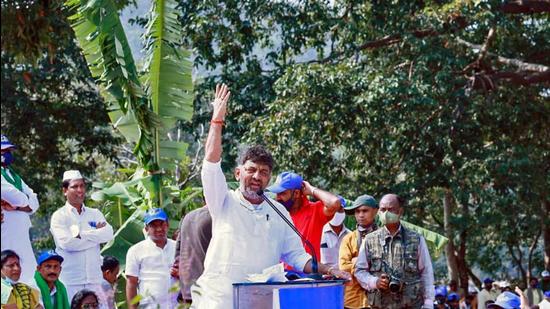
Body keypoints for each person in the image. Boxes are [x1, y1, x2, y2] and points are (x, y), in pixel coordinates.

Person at [191, 84, 350, 309]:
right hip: (219, 301)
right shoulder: (223, 201)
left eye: (264, 172)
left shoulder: (279, 211)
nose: (257, 176)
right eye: (251, 170)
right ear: (238, 173)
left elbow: (297, 256)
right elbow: (210, 165)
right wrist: (217, 121)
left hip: (260, 302)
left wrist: (327, 269)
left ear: (269, 178)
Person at [355, 193, 435, 309]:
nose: (386, 213)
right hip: (380, 305)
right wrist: (375, 282)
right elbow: (359, 271)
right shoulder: (369, 239)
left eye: (391, 209)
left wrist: (428, 302)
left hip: (410, 304)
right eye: (383, 209)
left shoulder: (416, 239)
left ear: (400, 211)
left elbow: (426, 272)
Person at [50, 170, 114, 302]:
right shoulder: (59, 216)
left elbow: (108, 234)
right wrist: (96, 235)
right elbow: (67, 244)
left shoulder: (95, 213)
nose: (80, 190)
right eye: (74, 187)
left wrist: (80, 234)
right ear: (65, 191)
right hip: (70, 281)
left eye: (82, 186)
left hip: (95, 279)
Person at [267, 171, 342, 260]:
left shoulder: (315, 210)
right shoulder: (277, 212)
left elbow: (334, 203)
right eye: (277, 193)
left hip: (308, 272)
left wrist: (311, 189)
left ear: (296, 193)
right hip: (282, 272)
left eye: (282, 193)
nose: (277, 198)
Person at [1, 135, 40, 284]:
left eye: (8, 150)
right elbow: (15, 195)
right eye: (3, 151)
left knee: (28, 270)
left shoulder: (13, 174)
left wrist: (17, 206)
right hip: (6, 230)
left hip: (21, 232)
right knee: (9, 267)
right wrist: (24, 203)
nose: (7, 154)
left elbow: (34, 200)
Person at [125, 208, 177, 308]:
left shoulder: (178, 247)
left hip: (175, 305)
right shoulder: (135, 250)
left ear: (167, 225)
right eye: (154, 225)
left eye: (162, 224)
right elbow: (131, 283)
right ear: (146, 229)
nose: (159, 229)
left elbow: (190, 273)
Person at [339, 194, 379, 309]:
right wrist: (366, 263)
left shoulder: (383, 236)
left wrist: (356, 260)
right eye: (357, 211)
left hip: (379, 299)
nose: (361, 215)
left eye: (365, 211)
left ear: (375, 211)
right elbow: (344, 267)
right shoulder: (348, 238)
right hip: (352, 300)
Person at [176, 206, 212, 304]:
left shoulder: (188, 217)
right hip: (205, 289)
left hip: (187, 287)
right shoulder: (214, 218)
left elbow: (178, 252)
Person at [320, 196, 350, 268]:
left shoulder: (350, 235)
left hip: (346, 276)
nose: (336, 213)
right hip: (325, 276)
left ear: (344, 211)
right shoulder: (319, 233)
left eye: (339, 209)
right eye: (333, 209)